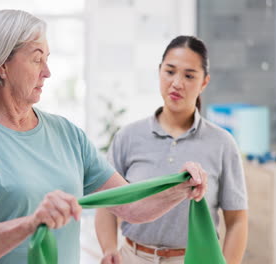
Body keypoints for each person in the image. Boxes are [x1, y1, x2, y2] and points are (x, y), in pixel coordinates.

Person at [0, 10, 208, 264]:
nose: (47, 71)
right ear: (2, 66)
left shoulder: (67, 135)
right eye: (37, 59)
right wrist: (31, 223)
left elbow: (132, 206)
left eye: (48, 58)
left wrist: (181, 188)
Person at [95, 36, 248, 264]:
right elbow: (107, 204)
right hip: (132, 257)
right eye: (170, 71)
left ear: (204, 82)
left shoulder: (223, 144)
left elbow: (237, 220)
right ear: (159, 72)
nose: (177, 83)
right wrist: (109, 250)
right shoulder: (127, 137)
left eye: (189, 75)